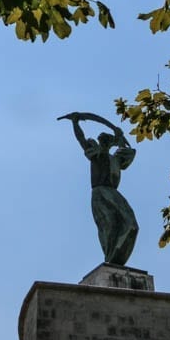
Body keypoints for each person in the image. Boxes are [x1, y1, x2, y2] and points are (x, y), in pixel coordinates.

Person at [59, 112, 139, 266]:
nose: (104, 144)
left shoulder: (116, 158)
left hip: (113, 192)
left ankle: (117, 252)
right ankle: (110, 256)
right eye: (103, 141)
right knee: (109, 225)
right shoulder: (95, 154)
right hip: (100, 192)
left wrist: (120, 136)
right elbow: (81, 139)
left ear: (110, 144)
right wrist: (75, 123)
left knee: (131, 224)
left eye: (107, 142)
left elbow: (128, 150)